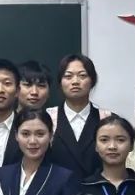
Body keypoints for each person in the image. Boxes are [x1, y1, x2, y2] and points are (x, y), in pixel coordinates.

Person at [46, 53, 111, 182]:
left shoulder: (106, 119)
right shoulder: (48, 118)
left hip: (97, 191)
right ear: (60, 82)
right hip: (57, 192)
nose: (75, 82)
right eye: (68, 76)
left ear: (92, 81)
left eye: (82, 76)